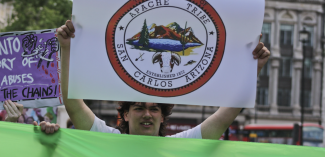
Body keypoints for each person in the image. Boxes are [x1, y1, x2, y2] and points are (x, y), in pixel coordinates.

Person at [56, 20, 270, 139]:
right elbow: (73, 105)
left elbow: (224, 117)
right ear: (126, 115)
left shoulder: (179, 145)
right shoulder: (107, 139)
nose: (147, 114)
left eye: (154, 109)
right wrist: (65, 48)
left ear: (163, 116)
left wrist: (251, 72)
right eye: (139, 108)